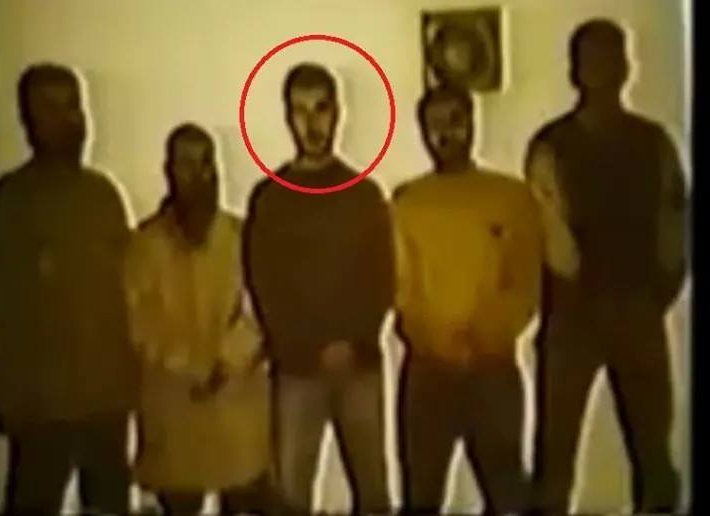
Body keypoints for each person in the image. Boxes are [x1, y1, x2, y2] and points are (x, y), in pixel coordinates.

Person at [526, 19, 688, 514]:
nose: (600, 69)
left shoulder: (654, 142)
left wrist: (656, 295)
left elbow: (675, 224)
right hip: (572, 318)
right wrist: (579, 295)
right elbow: (551, 232)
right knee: (555, 459)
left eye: (610, 58)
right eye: (591, 59)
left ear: (626, 67)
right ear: (575, 69)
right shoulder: (552, 144)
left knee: (655, 457)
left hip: (638, 312)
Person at [393, 85, 579, 515]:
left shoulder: (511, 197)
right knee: (421, 498)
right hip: (429, 372)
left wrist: (488, 334)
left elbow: (526, 284)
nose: (445, 133)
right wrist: (434, 337)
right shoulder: (408, 202)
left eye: (455, 120)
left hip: (492, 370)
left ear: (473, 122)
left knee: (507, 495)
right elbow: (401, 288)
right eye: (434, 124)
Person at [243, 63, 394, 515]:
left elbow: (381, 279)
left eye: (322, 108)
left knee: (374, 493)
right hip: (296, 371)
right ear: (287, 117)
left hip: (360, 366)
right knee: (290, 497)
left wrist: (351, 340)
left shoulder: (364, 195)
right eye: (301, 110)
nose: (312, 123)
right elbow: (265, 286)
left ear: (338, 113)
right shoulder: (270, 199)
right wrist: (308, 347)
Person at [0, 63, 137, 515]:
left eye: (74, 106)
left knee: (109, 505)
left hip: (106, 400)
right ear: (28, 120)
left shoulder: (103, 195)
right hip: (41, 406)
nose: (69, 119)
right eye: (51, 108)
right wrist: (6, 397)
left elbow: (128, 291)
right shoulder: (9, 201)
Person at [125, 124, 274, 515]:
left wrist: (226, 363)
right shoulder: (144, 244)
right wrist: (191, 365)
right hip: (175, 409)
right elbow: (138, 321)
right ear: (169, 171)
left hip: (236, 406)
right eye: (186, 164)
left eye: (206, 163)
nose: (199, 175)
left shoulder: (243, 237)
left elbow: (261, 309)